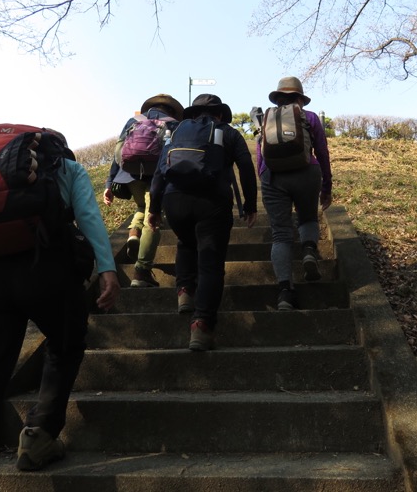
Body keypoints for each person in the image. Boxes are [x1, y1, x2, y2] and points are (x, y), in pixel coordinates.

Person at [0, 129, 121, 492]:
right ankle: (40, 432)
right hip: (49, 269)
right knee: (67, 344)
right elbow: (87, 215)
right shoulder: (65, 167)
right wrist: (107, 268)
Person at [148, 94, 258, 351]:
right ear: (219, 113)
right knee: (210, 264)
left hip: (174, 201)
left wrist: (154, 209)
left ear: (194, 113)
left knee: (186, 242)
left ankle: (185, 290)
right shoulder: (228, 132)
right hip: (213, 203)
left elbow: (158, 173)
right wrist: (250, 205)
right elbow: (245, 167)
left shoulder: (175, 132)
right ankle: (202, 325)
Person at [257, 76, 332, 311]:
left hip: (274, 177)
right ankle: (309, 249)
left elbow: (260, 155)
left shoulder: (267, 119)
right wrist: (326, 185)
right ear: (300, 98)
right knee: (307, 217)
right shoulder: (309, 117)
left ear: (278, 98)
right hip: (306, 172)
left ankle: (285, 293)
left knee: (280, 234)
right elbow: (321, 150)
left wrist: (265, 177)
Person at [103, 94, 184, 287]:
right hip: (157, 176)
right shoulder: (173, 123)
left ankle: (133, 235)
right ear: (171, 110)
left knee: (141, 206)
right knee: (153, 216)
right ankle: (141, 271)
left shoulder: (134, 120)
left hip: (129, 175)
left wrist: (109, 183)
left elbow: (118, 152)